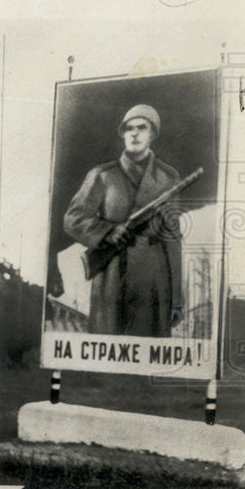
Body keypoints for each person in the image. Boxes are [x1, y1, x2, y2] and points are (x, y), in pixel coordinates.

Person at [63, 104, 183, 337]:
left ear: (153, 134)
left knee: (149, 355)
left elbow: (173, 240)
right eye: (129, 129)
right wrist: (107, 231)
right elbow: (72, 218)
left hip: (154, 280)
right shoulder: (102, 176)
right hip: (112, 274)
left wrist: (176, 300)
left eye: (142, 128)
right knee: (108, 351)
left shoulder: (169, 178)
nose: (134, 133)